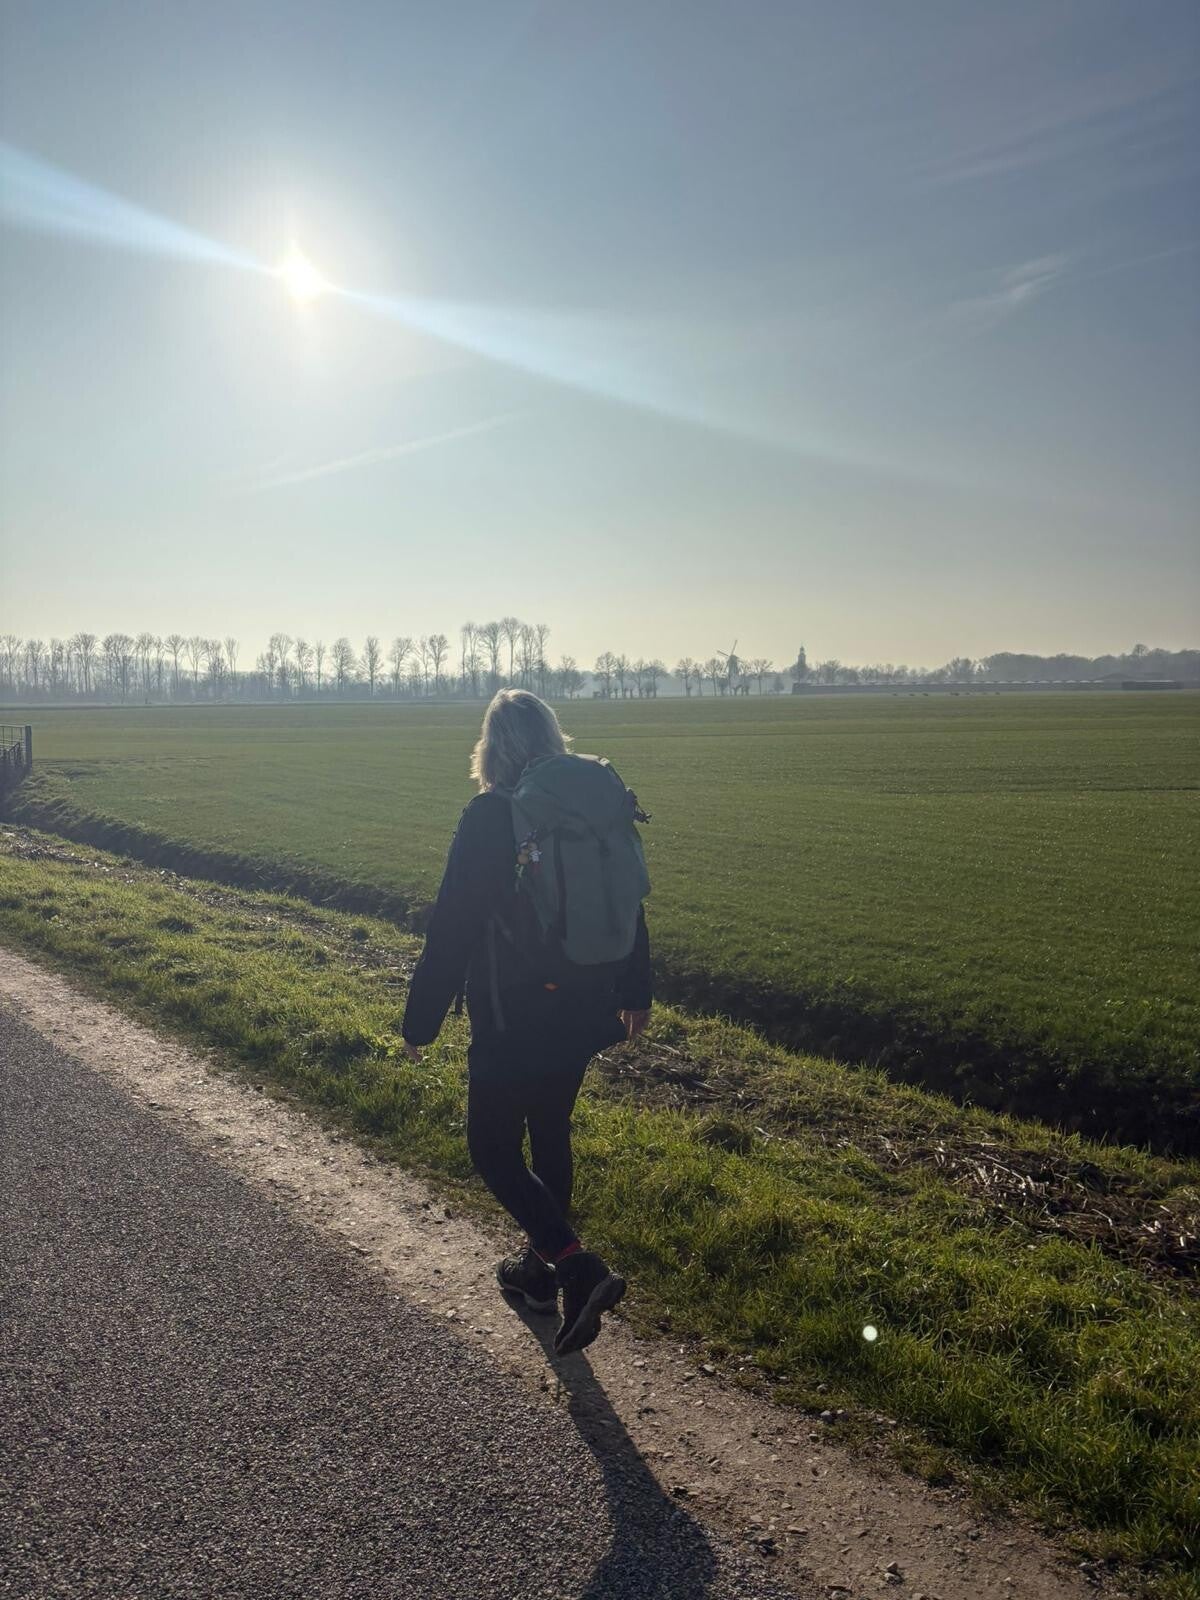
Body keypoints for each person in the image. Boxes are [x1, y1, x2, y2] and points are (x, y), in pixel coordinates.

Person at [401, 689, 652, 1355]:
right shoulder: (593, 811)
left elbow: (451, 924)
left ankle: (575, 1266)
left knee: (491, 1148)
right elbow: (632, 903)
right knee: (549, 1132)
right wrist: (636, 990)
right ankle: (537, 1278)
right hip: (586, 1002)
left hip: (515, 1011)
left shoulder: (492, 815)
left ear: (492, 747)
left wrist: (420, 1021)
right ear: (552, 738)